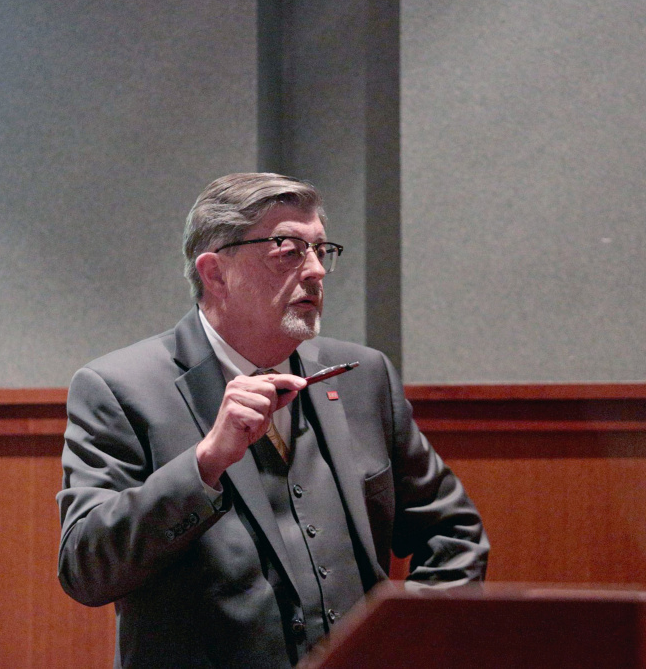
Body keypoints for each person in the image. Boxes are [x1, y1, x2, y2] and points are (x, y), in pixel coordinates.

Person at [57, 172, 488, 667]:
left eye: (322, 250)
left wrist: (410, 646)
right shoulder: (118, 388)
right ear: (215, 273)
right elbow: (86, 570)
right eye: (288, 249)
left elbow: (454, 533)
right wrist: (204, 463)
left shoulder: (363, 377)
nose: (316, 271)